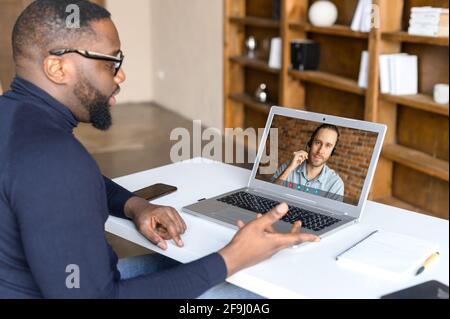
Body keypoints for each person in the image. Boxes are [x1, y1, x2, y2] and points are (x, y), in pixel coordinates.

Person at [0, 0, 320, 299]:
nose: (121, 75)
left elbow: (68, 183)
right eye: (111, 62)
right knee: (256, 293)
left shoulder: (16, 122)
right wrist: (232, 258)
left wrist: (136, 205)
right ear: (57, 68)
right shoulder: (57, 160)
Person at [272, 124, 344, 201]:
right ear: (310, 143)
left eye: (328, 145)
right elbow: (268, 194)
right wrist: (289, 169)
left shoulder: (336, 184)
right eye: (318, 142)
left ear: (332, 151)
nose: (320, 151)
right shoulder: (289, 166)